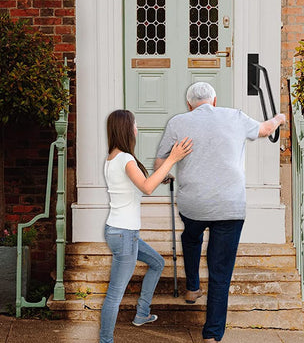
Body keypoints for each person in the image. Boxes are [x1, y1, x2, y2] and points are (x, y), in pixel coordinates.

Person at [154, 82, 286, 343]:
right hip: (229, 206)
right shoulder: (235, 116)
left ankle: (192, 288)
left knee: (190, 236)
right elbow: (265, 129)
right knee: (220, 272)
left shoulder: (178, 121)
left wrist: (167, 174)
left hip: (193, 204)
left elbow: (161, 161)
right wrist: (280, 117)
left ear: (189, 105)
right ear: (215, 101)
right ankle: (212, 336)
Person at [99, 109, 192, 343]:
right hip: (124, 234)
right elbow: (147, 188)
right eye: (135, 125)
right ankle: (105, 340)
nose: (137, 129)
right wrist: (172, 158)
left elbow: (140, 185)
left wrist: (162, 175)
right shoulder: (126, 159)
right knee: (115, 293)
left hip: (120, 231)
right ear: (125, 129)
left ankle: (141, 314)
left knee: (157, 262)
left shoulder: (113, 157)